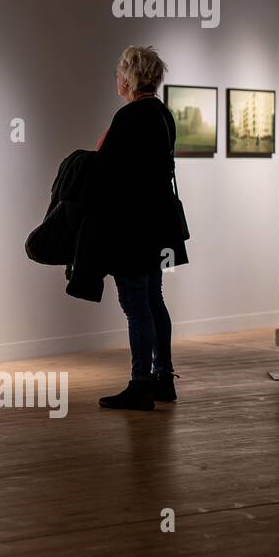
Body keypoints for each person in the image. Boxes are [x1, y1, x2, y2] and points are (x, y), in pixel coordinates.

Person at [95, 46, 188, 411]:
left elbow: (105, 169)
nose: (116, 79)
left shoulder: (130, 115)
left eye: (119, 72)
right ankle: (163, 378)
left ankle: (140, 384)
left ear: (129, 77)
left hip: (134, 225)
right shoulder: (163, 114)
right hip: (159, 222)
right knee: (153, 298)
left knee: (136, 305)